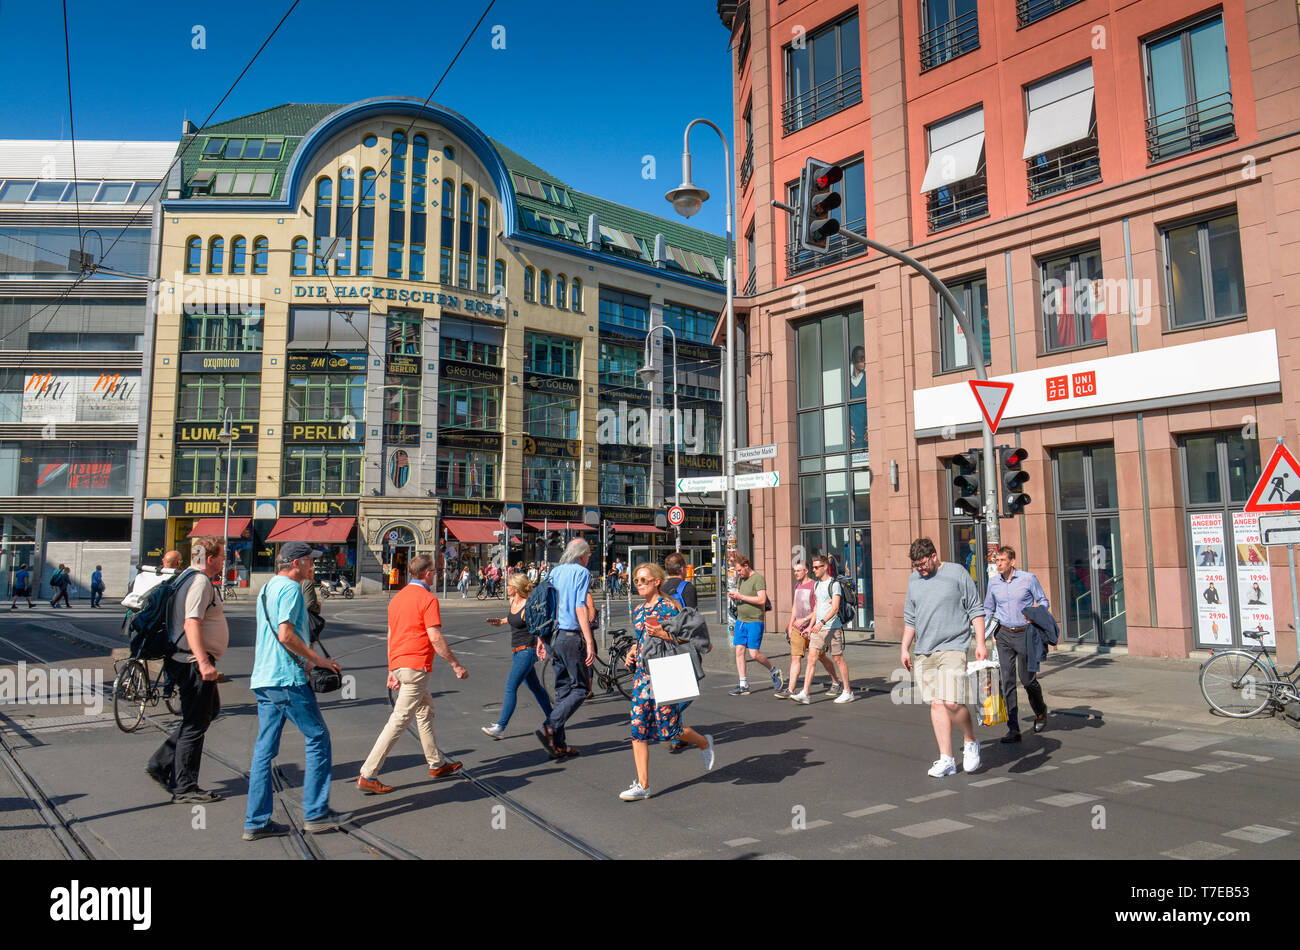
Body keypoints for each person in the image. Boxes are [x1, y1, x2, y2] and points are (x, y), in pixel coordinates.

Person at [244, 542, 350, 841]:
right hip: (286, 679)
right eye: (310, 562)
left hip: (264, 677)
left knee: (264, 751)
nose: (314, 567)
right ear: (298, 563)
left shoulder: (267, 589)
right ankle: (316, 813)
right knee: (318, 737)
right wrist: (317, 660)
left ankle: (256, 821)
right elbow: (286, 634)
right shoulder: (290, 589)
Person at [357, 554, 465, 794]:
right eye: (435, 572)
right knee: (399, 720)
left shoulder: (397, 599)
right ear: (426, 573)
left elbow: (390, 635)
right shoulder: (427, 599)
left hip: (400, 664)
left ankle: (436, 764)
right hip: (417, 667)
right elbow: (435, 637)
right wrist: (455, 665)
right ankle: (368, 773)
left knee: (425, 710)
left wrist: (391, 669)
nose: (435, 575)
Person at [618, 562, 714, 801]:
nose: (638, 584)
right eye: (636, 580)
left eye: (643, 580)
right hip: (642, 674)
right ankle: (643, 785)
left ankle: (703, 742)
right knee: (637, 728)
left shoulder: (669, 607)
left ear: (656, 582)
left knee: (669, 730)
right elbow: (641, 638)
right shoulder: (640, 610)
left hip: (665, 671)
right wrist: (632, 650)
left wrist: (663, 634)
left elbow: (686, 638)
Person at [145, 537, 228, 803]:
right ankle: (184, 786)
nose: (225, 561)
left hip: (184, 658)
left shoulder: (185, 577)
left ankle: (161, 762)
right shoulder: (199, 581)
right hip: (192, 662)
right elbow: (192, 623)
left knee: (208, 712)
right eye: (223, 556)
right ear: (211, 558)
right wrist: (203, 662)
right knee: (195, 723)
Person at [901, 537, 987, 778]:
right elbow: (910, 618)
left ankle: (970, 741)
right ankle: (946, 759)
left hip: (953, 646)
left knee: (951, 702)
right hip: (924, 651)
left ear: (934, 556)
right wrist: (904, 648)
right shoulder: (914, 580)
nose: (919, 568)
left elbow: (975, 609)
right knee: (937, 704)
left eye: (922, 563)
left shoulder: (957, 573)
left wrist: (980, 643)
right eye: (915, 565)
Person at [983, 546, 1051, 742]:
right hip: (1003, 635)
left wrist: (1035, 616)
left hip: (1025, 634)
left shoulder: (1028, 579)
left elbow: (1043, 601)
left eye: (1002, 560)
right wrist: (982, 631)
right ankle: (1013, 729)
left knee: (1028, 680)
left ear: (1012, 562)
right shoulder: (994, 583)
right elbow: (989, 607)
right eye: (997, 561)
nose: (999, 564)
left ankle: (1040, 711)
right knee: (1008, 681)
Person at [537, 538, 597, 759]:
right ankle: (550, 727)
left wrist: (540, 640)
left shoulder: (554, 572)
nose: (589, 557)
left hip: (554, 637)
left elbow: (545, 607)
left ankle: (559, 744)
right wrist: (590, 641)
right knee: (581, 689)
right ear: (581, 554)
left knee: (562, 691)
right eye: (588, 553)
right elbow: (580, 606)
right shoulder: (582, 573)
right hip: (571, 636)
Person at [481, 573, 552, 740]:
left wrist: (541, 645)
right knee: (535, 687)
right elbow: (513, 618)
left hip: (527, 651)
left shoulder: (528, 606)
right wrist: (501, 621)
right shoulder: (513, 601)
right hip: (516, 652)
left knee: (510, 687)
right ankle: (554, 717)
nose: (506, 587)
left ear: (516, 588)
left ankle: (500, 727)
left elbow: (536, 628)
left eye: (509, 585)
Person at [791, 555, 855, 704]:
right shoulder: (817, 585)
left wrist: (821, 622)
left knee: (838, 659)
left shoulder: (834, 584)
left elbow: (835, 608)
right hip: (818, 628)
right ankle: (805, 693)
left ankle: (848, 691)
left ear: (825, 567)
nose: (814, 570)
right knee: (811, 658)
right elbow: (816, 607)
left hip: (833, 628)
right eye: (813, 567)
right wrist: (811, 625)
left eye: (816, 567)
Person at [778, 561, 840, 701]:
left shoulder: (815, 585)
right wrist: (790, 624)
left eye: (798, 571)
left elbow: (818, 609)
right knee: (795, 657)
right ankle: (791, 689)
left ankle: (836, 681)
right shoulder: (797, 586)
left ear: (806, 571)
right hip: (797, 628)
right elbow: (795, 606)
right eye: (794, 571)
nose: (796, 573)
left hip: (813, 628)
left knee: (821, 657)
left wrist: (807, 622)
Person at [726, 554, 782, 695]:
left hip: (755, 621)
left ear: (746, 566)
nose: (738, 573)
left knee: (754, 654)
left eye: (739, 570)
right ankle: (743, 684)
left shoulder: (758, 578)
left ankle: (774, 671)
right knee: (739, 651)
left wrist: (741, 597)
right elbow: (739, 594)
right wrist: (734, 596)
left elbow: (762, 600)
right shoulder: (741, 579)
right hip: (741, 620)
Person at [301, 568, 323, 645]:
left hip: (300, 620)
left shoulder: (299, 581)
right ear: (309, 573)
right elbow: (309, 604)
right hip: (307, 621)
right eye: (312, 573)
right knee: (309, 644)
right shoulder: (307, 583)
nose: (313, 574)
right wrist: (318, 607)